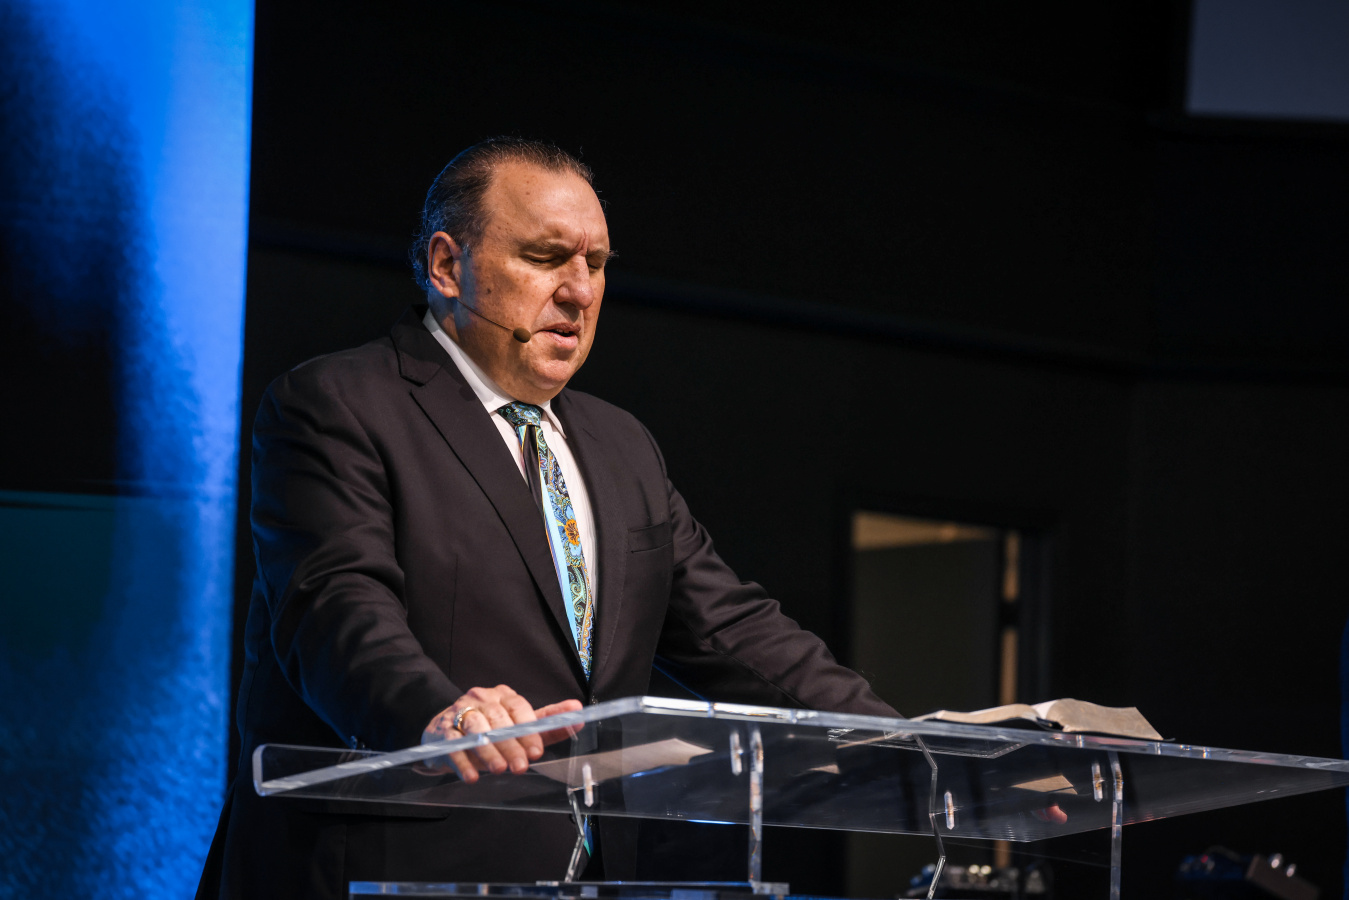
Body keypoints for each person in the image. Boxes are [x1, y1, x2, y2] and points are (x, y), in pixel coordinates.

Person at [196, 137, 896, 900]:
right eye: (545, 258)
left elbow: (733, 632)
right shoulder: (338, 404)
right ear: (446, 266)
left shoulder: (622, 445)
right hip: (383, 870)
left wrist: (903, 743)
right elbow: (334, 606)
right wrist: (438, 710)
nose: (580, 291)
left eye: (595, 264)